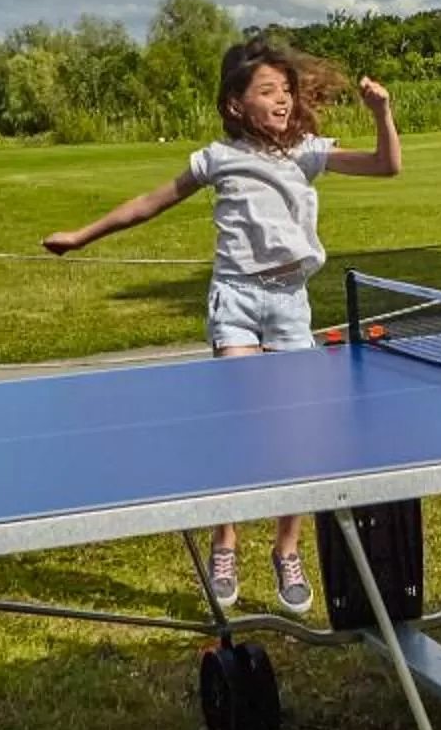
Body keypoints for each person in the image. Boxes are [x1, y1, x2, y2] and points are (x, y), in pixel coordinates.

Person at [43, 35, 403, 614]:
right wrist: (81, 236)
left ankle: (287, 550)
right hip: (234, 300)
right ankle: (225, 540)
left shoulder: (306, 152)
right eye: (268, 92)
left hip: (290, 303)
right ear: (236, 104)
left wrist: (381, 113)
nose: (282, 100)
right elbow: (148, 203)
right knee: (238, 425)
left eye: (286, 90)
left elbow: (387, 166)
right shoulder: (216, 158)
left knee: (297, 436)